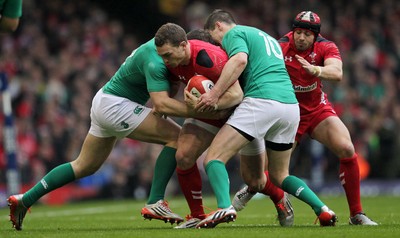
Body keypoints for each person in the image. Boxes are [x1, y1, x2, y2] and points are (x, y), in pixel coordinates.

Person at [7, 34, 228, 230]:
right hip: (116, 105)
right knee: (177, 138)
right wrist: (200, 110)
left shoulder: (160, 52)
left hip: (105, 101)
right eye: (169, 56)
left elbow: (166, 92)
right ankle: (155, 201)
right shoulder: (156, 61)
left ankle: (25, 199)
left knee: (84, 165)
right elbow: (160, 105)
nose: (170, 60)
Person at [193, 9, 337, 228]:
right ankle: (322, 209)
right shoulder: (265, 37)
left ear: (219, 27)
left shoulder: (234, 33)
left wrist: (213, 95)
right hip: (290, 106)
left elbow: (240, 60)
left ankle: (224, 208)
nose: (217, 46)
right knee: (280, 175)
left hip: (261, 102)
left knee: (213, 158)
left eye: (213, 39)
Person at [232, 11, 378, 226]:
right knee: (274, 173)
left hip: (317, 110)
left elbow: (337, 73)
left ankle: (357, 214)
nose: (301, 38)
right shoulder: (279, 46)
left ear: (315, 36)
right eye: (298, 32)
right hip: (288, 113)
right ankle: (254, 187)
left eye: (307, 34)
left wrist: (316, 70)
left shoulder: (326, 46)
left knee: (347, 148)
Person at [150, 24, 294, 228]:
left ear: (184, 45)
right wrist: (171, 100)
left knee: (255, 181)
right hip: (208, 111)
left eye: (168, 55)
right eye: (162, 56)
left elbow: (236, 94)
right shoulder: (171, 59)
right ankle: (198, 216)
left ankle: (280, 197)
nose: (165, 60)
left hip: (237, 110)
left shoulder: (209, 58)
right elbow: (172, 80)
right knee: (183, 156)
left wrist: (211, 102)